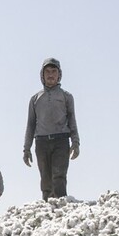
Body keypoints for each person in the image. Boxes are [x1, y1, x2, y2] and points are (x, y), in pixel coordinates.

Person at [23, 58, 79, 199]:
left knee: (59, 177)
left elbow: (72, 119)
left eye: (54, 71)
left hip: (61, 140)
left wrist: (76, 142)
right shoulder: (35, 98)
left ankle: (61, 209)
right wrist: (26, 149)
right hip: (41, 142)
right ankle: (47, 211)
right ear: (42, 75)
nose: (50, 74)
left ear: (59, 75)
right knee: (45, 181)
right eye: (47, 71)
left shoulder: (66, 97)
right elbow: (30, 125)